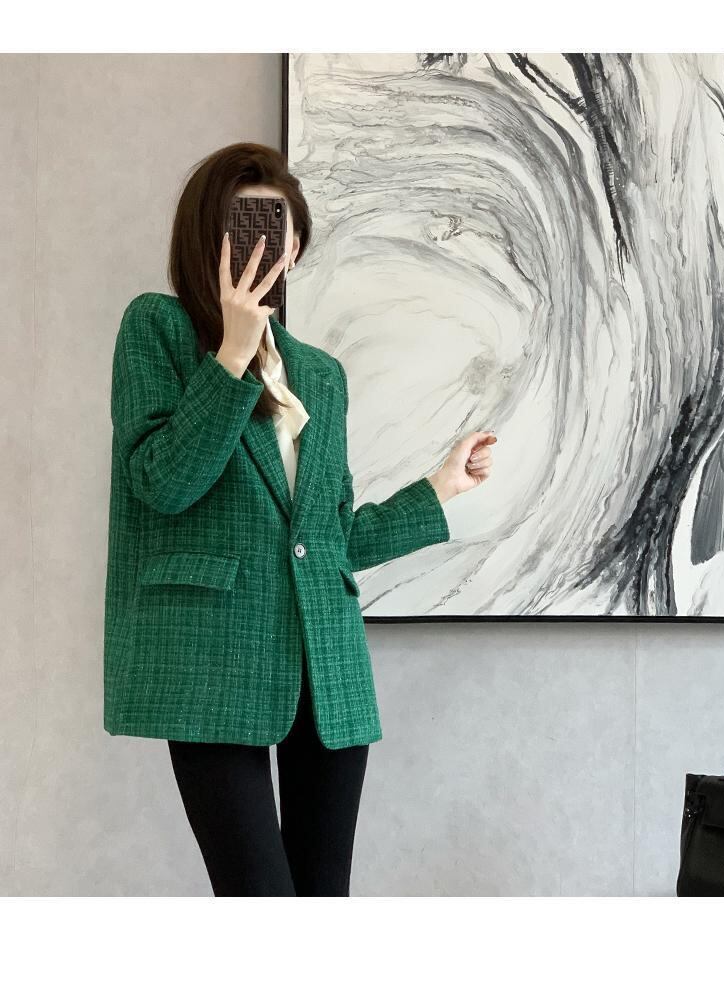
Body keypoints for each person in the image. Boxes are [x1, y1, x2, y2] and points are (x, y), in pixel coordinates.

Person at [103, 141, 495, 896]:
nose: (263, 247)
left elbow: (327, 538)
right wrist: (231, 354)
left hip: (328, 664)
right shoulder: (156, 329)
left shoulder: (319, 374)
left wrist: (439, 488)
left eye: (278, 231)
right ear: (206, 239)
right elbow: (162, 483)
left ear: (297, 248)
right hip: (214, 663)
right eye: (242, 227)